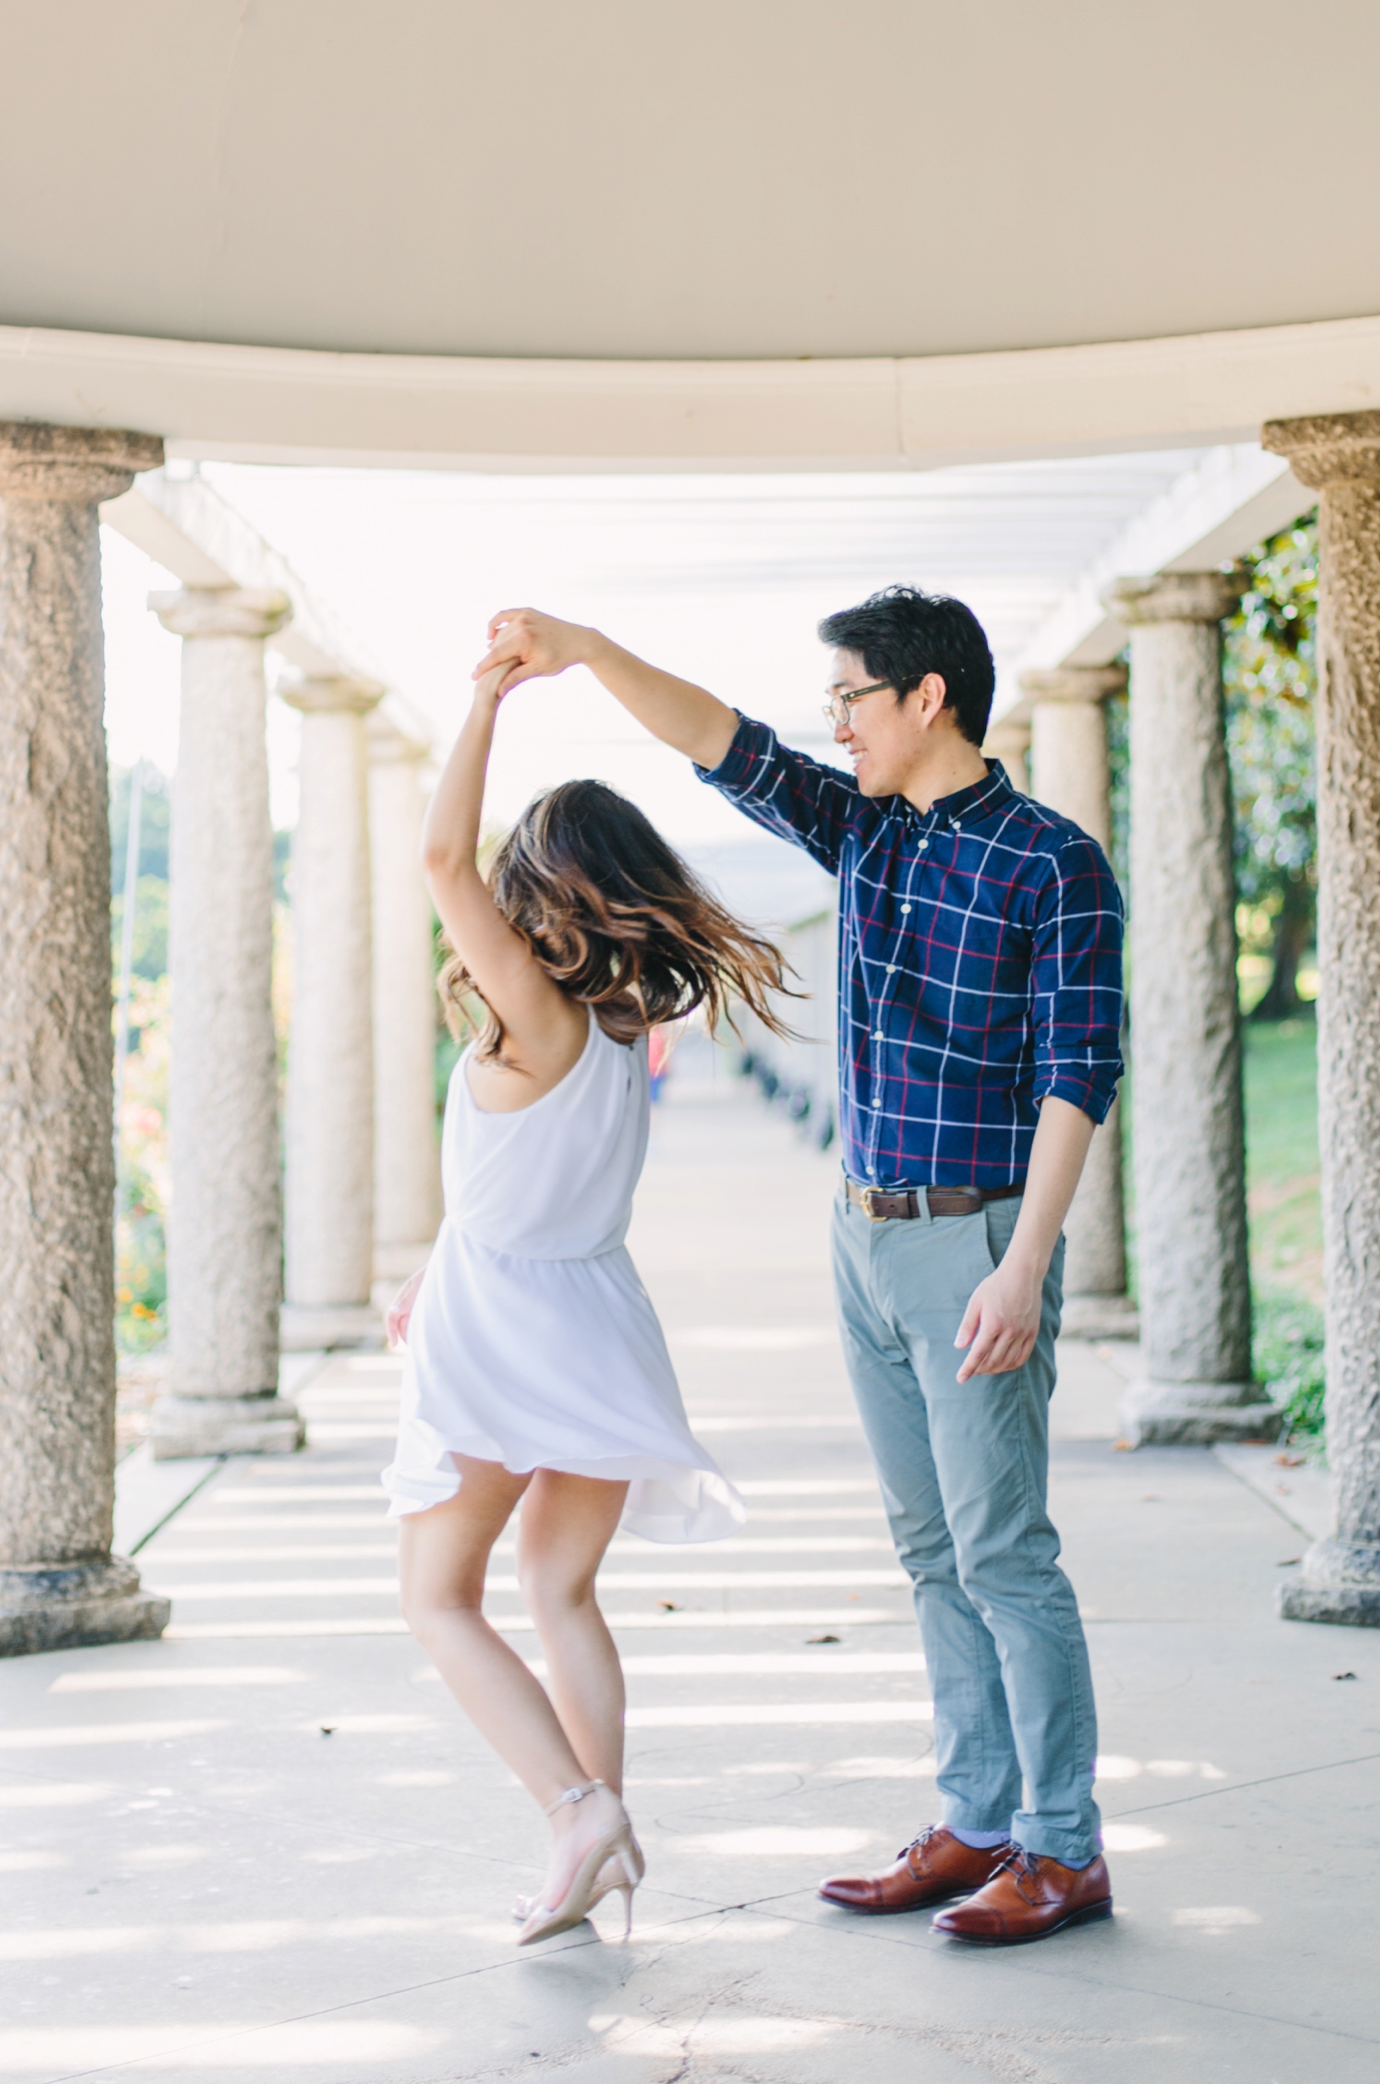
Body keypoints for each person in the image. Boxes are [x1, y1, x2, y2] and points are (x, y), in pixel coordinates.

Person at [477, 585, 1124, 1948]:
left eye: (850, 699)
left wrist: (1024, 1266)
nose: (832, 725)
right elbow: (721, 740)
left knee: (1004, 1550)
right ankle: (978, 1819)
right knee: (929, 1546)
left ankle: (1063, 1850)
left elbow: (1079, 1075)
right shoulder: (867, 833)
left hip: (977, 1238)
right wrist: (588, 652)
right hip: (864, 1231)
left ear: (925, 697)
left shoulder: (1054, 865)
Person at [381, 658, 793, 1946]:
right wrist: (434, 1261)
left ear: (545, 893)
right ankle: (595, 1841)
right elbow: (531, 1186)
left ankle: (574, 1810)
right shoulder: (622, 1029)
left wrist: (484, 706)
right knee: (561, 1595)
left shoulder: (537, 1016)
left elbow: (443, 860)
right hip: (597, 1325)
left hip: (504, 1334)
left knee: (437, 1597)